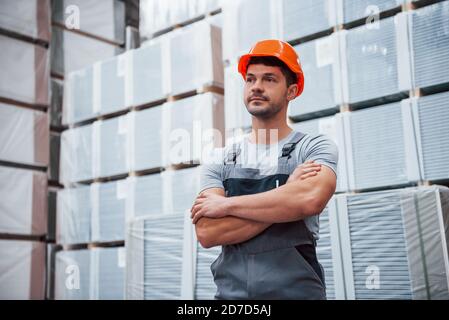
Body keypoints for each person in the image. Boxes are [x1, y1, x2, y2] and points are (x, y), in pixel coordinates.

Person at [190, 39, 338, 300]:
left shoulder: (313, 147)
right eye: (250, 79)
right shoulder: (220, 158)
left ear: (291, 91)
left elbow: (309, 200)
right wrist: (286, 197)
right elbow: (208, 232)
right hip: (231, 298)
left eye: (269, 79)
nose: (256, 86)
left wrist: (225, 206)